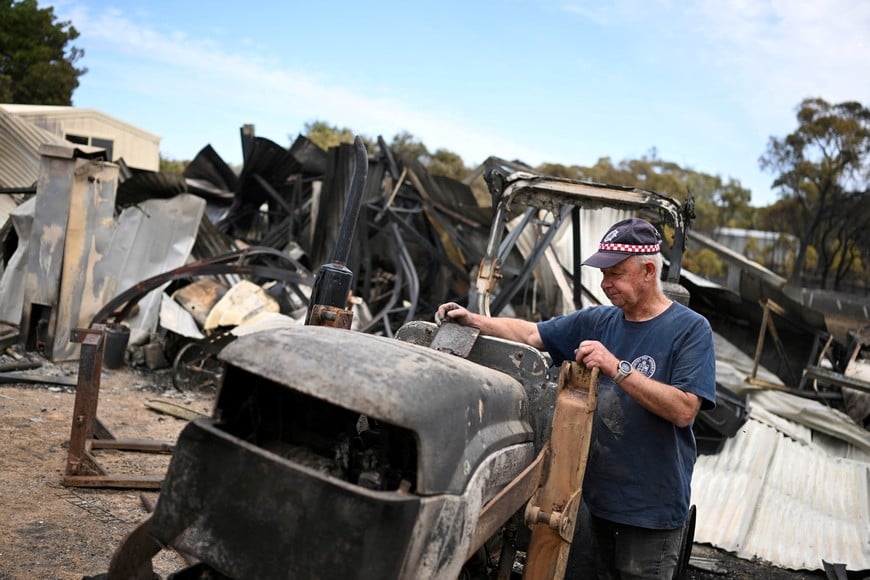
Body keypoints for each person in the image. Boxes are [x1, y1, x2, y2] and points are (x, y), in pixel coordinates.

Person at [435, 217, 716, 579]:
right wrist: (475, 320)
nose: (605, 284)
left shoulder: (690, 330)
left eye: (615, 274)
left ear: (648, 271)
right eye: (603, 274)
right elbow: (534, 334)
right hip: (591, 505)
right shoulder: (600, 321)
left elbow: (684, 409)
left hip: (650, 512)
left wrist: (616, 367)